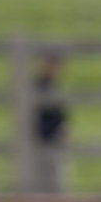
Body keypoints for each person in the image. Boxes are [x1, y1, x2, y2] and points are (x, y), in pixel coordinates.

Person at [30, 52, 70, 194]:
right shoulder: (38, 87)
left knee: (54, 185)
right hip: (43, 142)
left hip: (53, 141)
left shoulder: (53, 86)